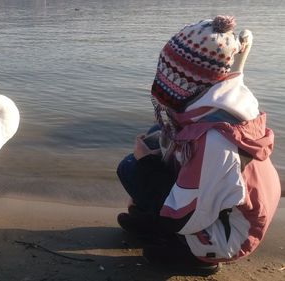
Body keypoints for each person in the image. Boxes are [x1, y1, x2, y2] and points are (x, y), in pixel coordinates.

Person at [116, 15, 281, 274]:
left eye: (168, 73)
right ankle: (155, 220)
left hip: (229, 236)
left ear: (186, 80)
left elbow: (186, 216)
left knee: (132, 168)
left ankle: (197, 256)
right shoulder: (226, 100)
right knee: (157, 134)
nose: (160, 80)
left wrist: (147, 164)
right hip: (233, 210)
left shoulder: (214, 140)